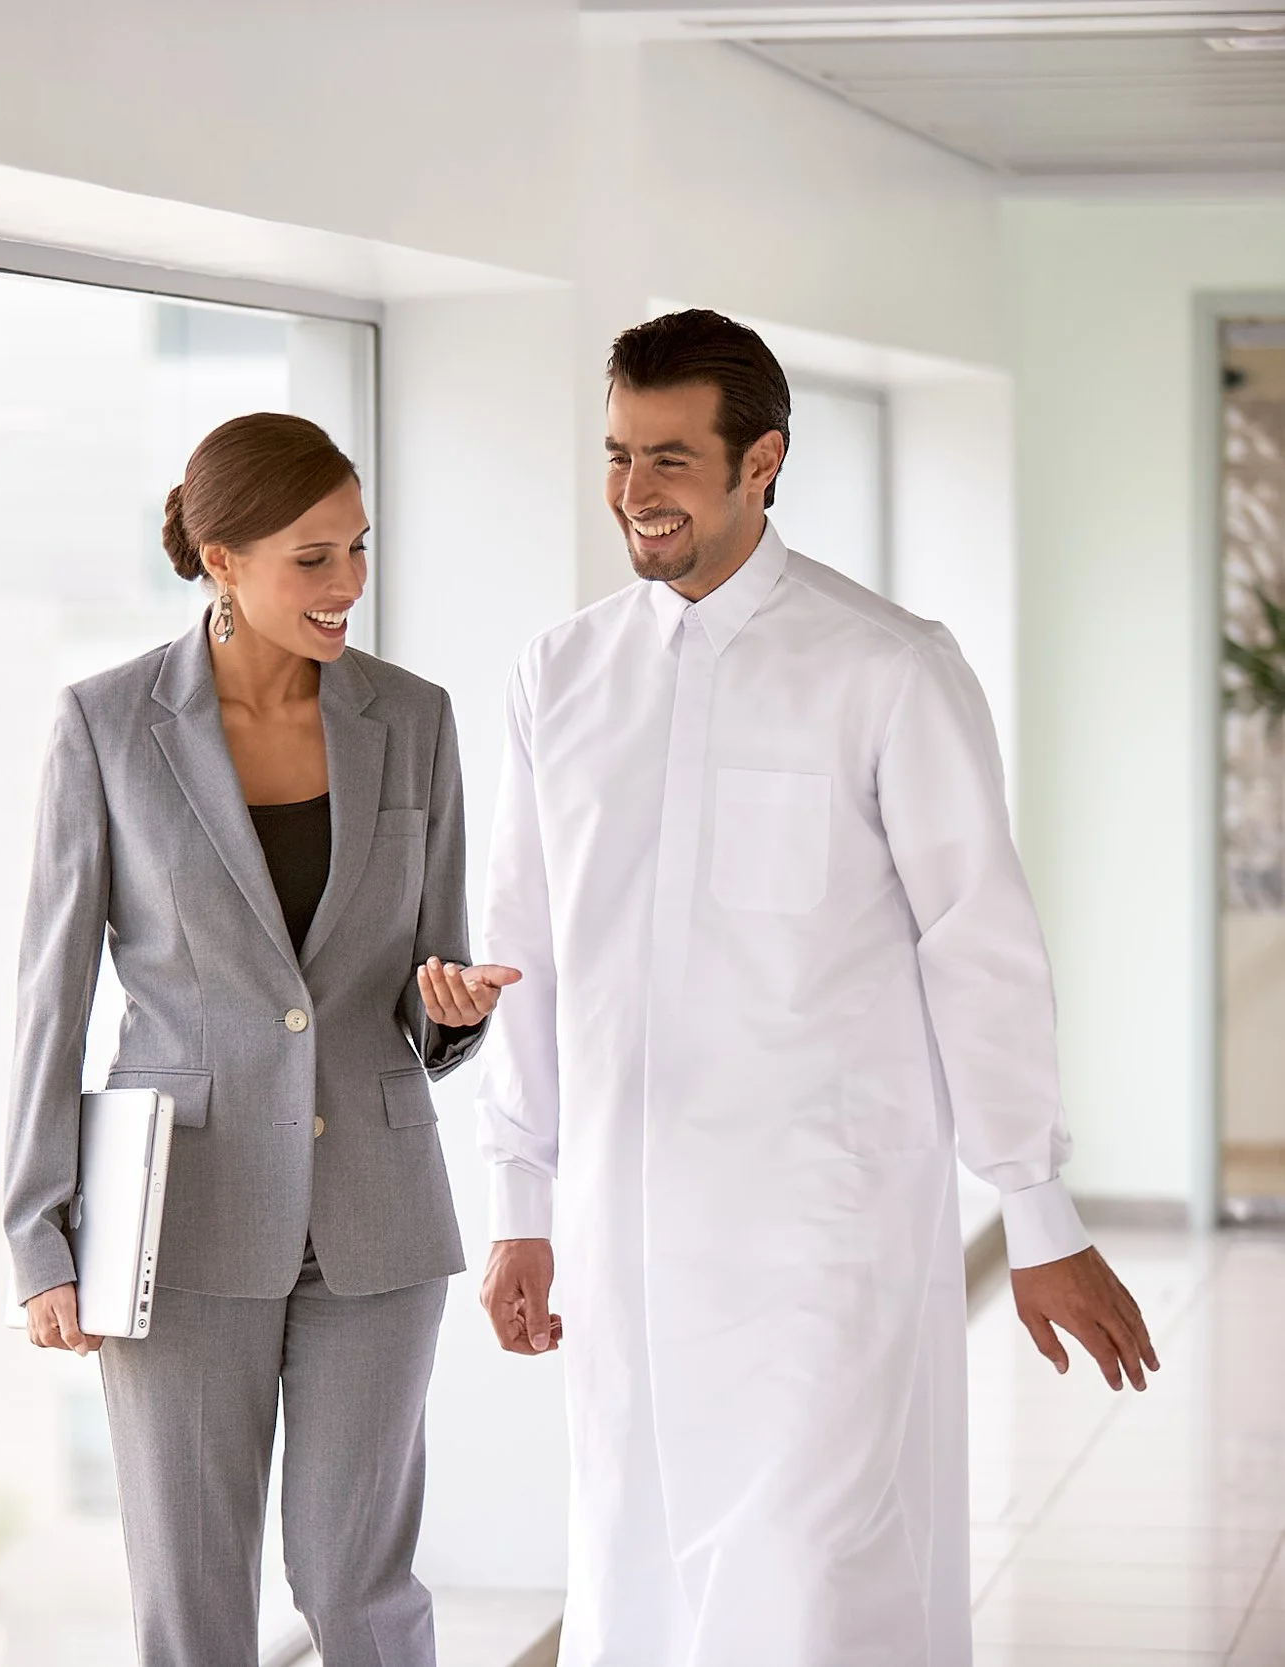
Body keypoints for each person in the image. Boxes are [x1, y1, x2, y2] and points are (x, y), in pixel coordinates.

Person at [474, 309, 1159, 1666]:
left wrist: (1036, 1206)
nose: (634, 492)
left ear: (762, 459)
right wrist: (520, 1199)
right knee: (635, 1571)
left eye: (670, 457)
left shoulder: (887, 664)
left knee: (809, 1591)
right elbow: (523, 953)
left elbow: (982, 944)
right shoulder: (560, 674)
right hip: (621, 1233)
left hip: (818, 1245)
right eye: (617, 455)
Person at [1, 412, 518, 1667]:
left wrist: (452, 1014)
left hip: (375, 1215)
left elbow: (424, 970)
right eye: (312, 558)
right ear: (221, 558)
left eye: (356, 550)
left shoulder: (416, 717)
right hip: (176, 1210)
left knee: (363, 1586)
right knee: (191, 1599)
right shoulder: (107, 725)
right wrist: (39, 1236)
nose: (346, 586)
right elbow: (49, 995)